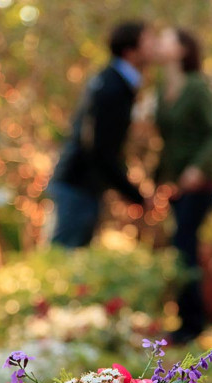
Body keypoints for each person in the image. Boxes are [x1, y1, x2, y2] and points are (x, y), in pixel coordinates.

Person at [49, 21, 154, 248]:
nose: (153, 47)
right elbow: (99, 147)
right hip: (78, 184)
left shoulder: (115, 82)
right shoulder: (112, 87)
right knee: (64, 256)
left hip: (83, 183)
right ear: (130, 50)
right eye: (148, 42)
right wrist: (134, 195)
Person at [153, 27, 212, 344]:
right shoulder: (160, 87)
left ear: (183, 49)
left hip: (200, 183)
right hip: (175, 185)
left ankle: (192, 323)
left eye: (167, 39)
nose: (160, 43)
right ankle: (186, 319)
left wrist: (197, 167)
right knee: (180, 247)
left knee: (184, 245)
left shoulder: (197, 87)